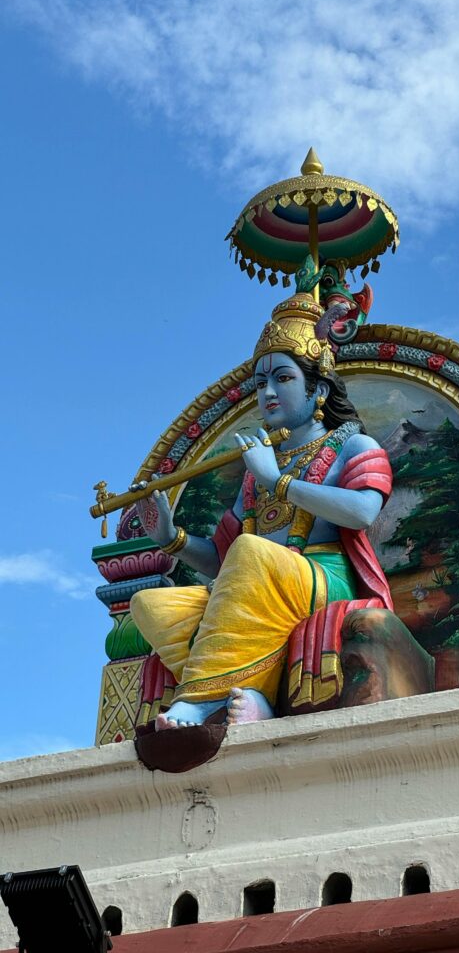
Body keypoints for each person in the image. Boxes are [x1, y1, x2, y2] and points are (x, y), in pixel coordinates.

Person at [130, 290, 393, 729]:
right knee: (152, 606)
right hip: (259, 578)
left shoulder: (353, 446)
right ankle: (252, 693)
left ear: (319, 388)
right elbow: (222, 560)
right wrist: (170, 539)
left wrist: (279, 482)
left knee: (251, 552)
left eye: (283, 379)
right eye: (260, 384)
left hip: (324, 577)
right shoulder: (258, 469)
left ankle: (197, 704)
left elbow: (363, 512)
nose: (267, 394)